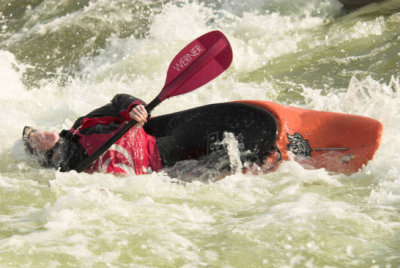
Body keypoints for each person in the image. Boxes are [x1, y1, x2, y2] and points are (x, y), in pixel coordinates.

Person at [23, 94, 175, 175]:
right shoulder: (77, 179)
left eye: (36, 133)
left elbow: (118, 101)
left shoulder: (82, 127)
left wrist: (134, 108)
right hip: (164, 173)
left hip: (164, 145)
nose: (43, 135)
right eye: (35, 139)